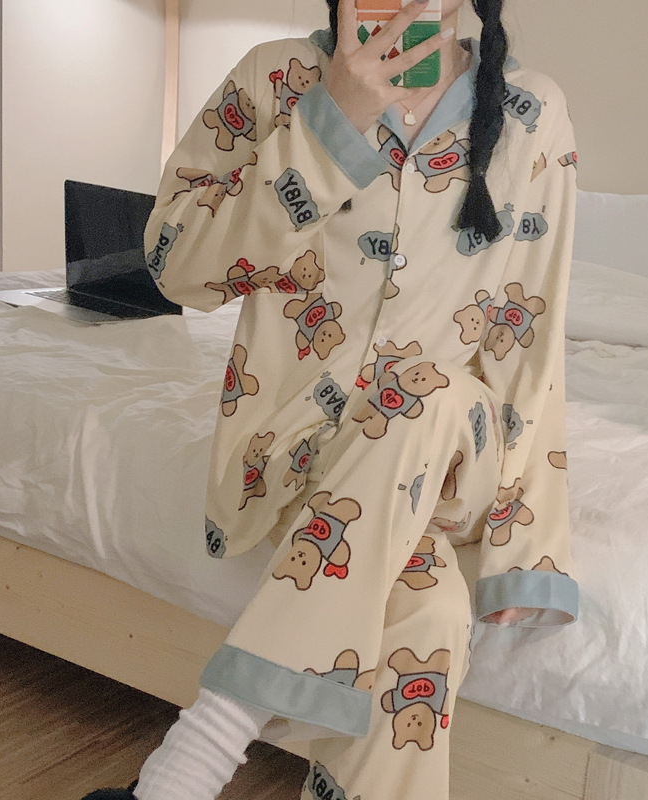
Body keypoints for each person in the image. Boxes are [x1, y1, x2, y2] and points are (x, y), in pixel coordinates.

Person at [84, 0, 578, 798]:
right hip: (295, 448)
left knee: (425, 391)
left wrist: (527, 544)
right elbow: (178, 269)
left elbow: (531, 330)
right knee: (426, 612)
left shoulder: (532, 111)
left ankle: (201, 751)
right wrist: (327, 129)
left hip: (456, 457)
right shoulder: (273, 78)